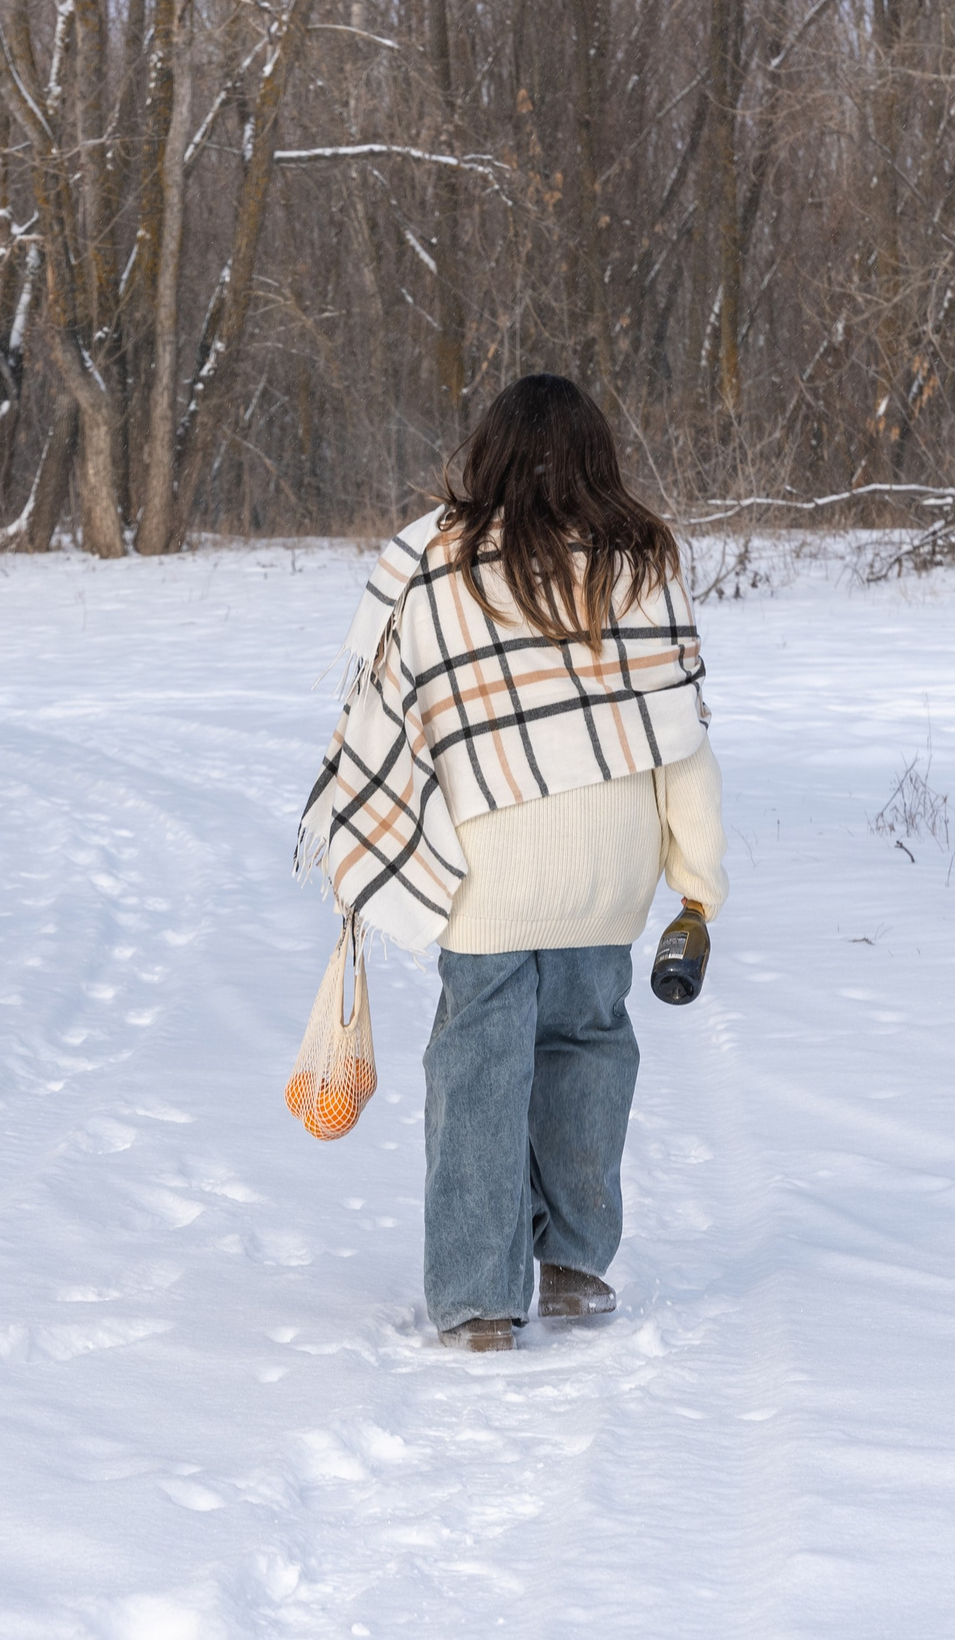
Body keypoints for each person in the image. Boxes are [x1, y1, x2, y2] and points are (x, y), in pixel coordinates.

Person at [298, 373, 728, 1353]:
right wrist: (696, 880)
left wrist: (367, 842)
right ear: (595, 459)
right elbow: (680, 742)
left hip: (490, 875)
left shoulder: (430, 567)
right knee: (586, 1050)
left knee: (478, 1073)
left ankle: (477, 1301)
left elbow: (385, 719)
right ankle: (573, 1267)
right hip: (608, 876)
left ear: (487, 451)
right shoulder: (639, 566)